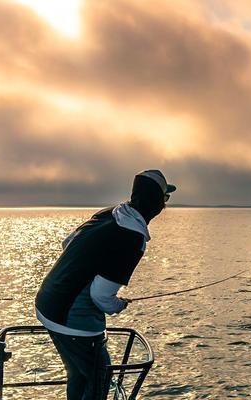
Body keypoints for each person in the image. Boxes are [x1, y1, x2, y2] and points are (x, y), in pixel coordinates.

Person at [34, 170, 176, 400]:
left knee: (79, 374)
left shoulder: (109, 213)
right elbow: (101, 296)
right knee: (99, 377)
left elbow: (66, 243)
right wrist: (118, 305)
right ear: (156, 204)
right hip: (72, 319)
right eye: (164, 199)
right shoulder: (132, 237)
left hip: (46, 302)